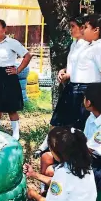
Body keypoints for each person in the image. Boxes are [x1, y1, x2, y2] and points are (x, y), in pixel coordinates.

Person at [13, 128, 101, 201]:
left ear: (57, 152)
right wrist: (34, 174)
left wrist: (34, 194)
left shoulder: (63, 172)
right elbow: (63, 185)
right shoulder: (83, 163)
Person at [34, 18, 89, 157]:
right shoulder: (74, 44)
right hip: (71, 86)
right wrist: (64, 71)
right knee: (57, 118)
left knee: (76, 123)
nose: (70, 29)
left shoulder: (89, 46)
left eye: (73, 26)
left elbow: (87, 70)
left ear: (82, 28)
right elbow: (73, 66)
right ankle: (47, 144)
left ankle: (72, 152)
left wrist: (70, 74)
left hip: (81, 88)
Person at [0, 19, 32, 140]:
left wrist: (18, 70)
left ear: (4, 29)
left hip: (9, 76)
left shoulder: (12, 43)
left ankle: (15, 133)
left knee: (11, 107)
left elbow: (27, 56)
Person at [69, 14, 101, 130]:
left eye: (85, 27)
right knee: (79, 127)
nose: (83, 31)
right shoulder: (88, 46)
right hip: (79, 90)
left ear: (96, 30)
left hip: (90, 90)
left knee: (90, 127)